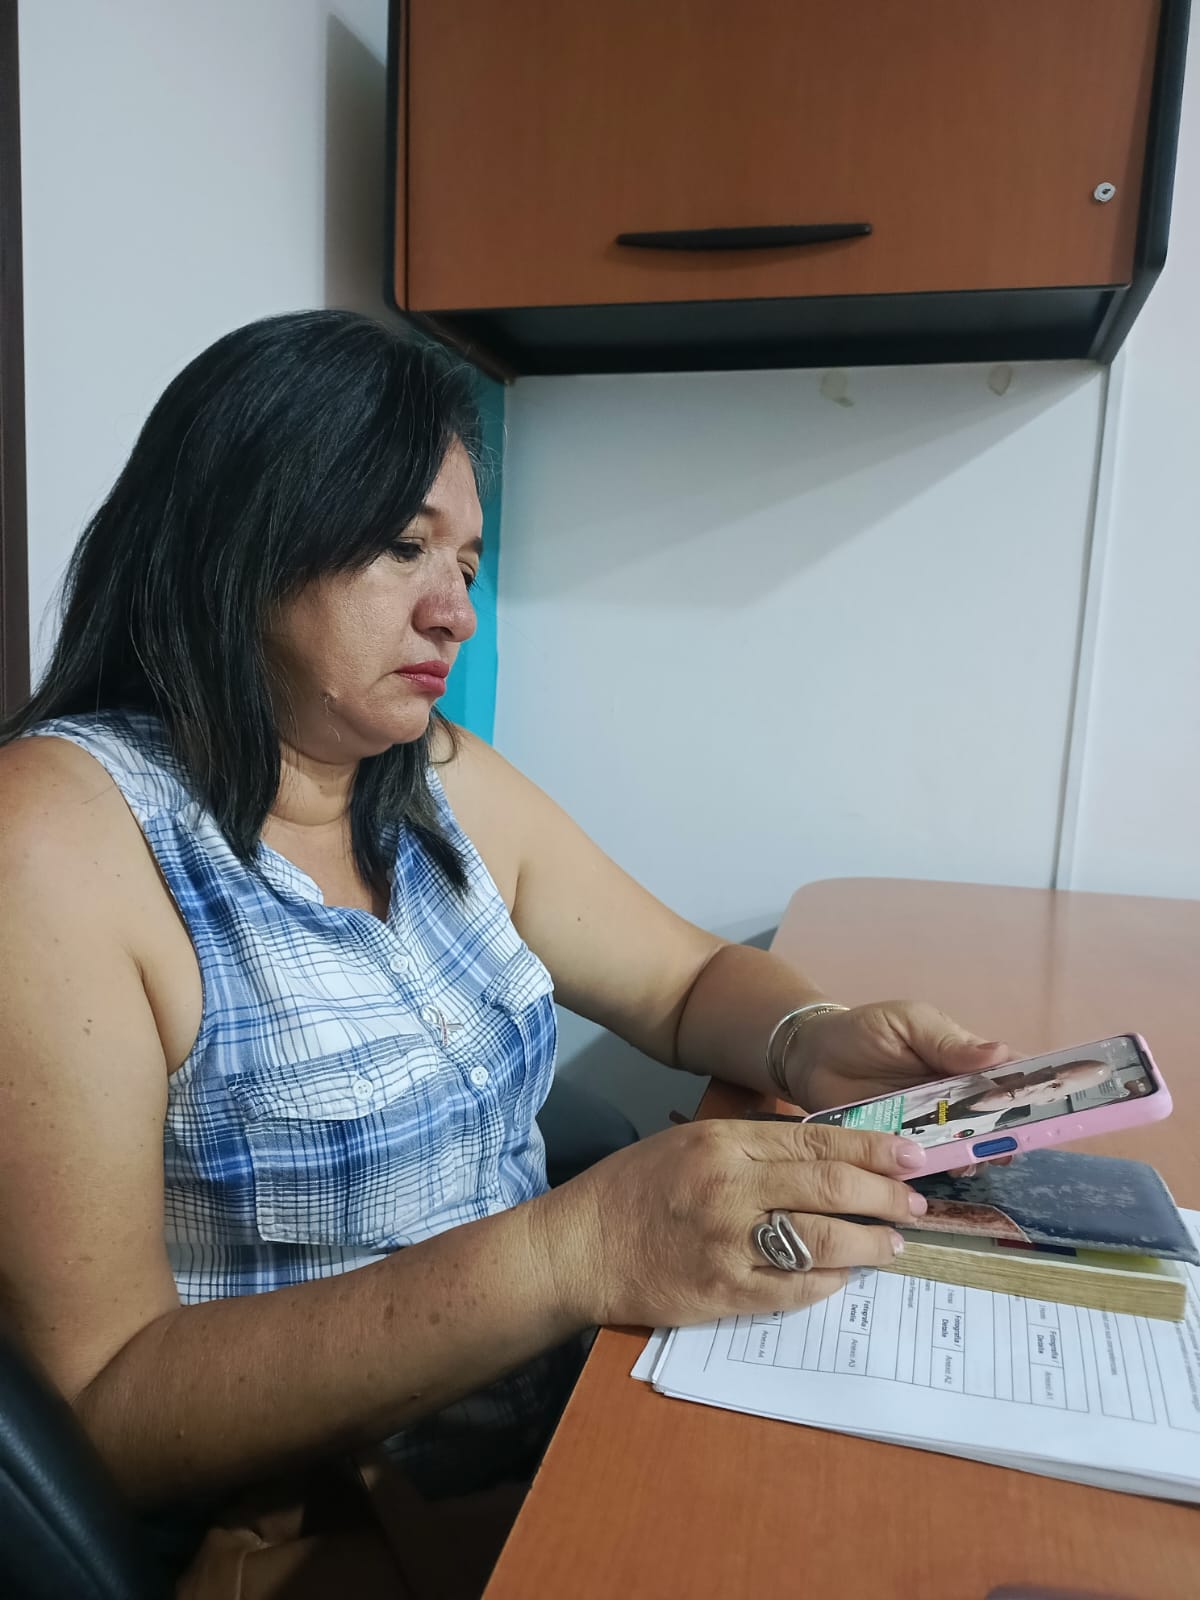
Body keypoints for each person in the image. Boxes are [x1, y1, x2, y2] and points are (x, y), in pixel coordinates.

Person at [0, 313, 1014, 1573]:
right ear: (238, 534)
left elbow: (689, 980)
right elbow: (106, 1411)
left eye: (468, 563)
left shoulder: (431, 777)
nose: (456, 614)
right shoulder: (58, 839)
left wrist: (811, 1034)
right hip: (333, 1528)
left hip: (568, 1411)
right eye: (403, 546)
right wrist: (580, 1248)